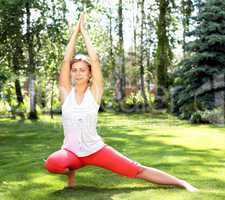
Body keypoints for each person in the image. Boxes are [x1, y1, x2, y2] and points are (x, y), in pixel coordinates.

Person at [44, 14, 198, 192]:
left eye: (82, 70)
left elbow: (94, 60)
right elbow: (65, 60)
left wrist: (84, 32)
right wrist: (74, 33)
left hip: (95, 151)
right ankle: (71, 172)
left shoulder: (94, 93)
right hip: (71, 152)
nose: (77, 73)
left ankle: (181, 182)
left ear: (89, 74)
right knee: (53, 163)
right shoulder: (66, 93)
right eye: (74, 70)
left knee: (136, 170)